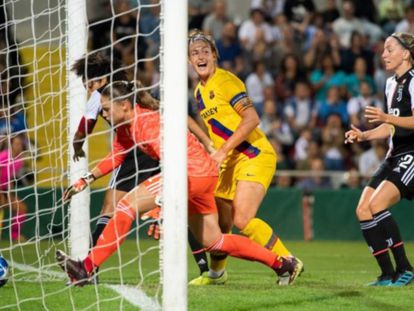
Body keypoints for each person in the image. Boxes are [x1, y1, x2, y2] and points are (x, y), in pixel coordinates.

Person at [55, 81, 301, 287]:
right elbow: (118, 155)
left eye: (107, 109)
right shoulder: (126, 127)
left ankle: (86, 268)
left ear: (124, 105)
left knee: (125, 206)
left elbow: (173, 164)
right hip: (202, 175)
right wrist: (87, 178)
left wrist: (163, 209)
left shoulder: (147, 124)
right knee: (215, 242)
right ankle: (282, 265)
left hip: (189, 173)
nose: (104, 114)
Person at [187, 30, 303, 285]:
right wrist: (209, 145)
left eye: (205, 51)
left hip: (254, 154)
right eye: (195, 53)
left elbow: (252, 119)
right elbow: (215, 128)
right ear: (189, 61)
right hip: (228, 161)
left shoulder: (227, 82)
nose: (201, 56)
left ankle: (288, 261)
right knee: (218, 220)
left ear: (215, 55)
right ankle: (216, 274)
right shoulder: (198, 92)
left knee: (242, 219)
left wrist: (222, 151)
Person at [70, 52, 160, 255]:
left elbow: (84, 128)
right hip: (155, 148)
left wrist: (77, 146)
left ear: (101, 79)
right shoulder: (128, 85)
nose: (88, 89)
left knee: (109, 209)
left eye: (89, 84)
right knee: (182, 206)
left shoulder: (101, 96)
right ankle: (205, 267)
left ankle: (88, 265)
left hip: (132, 151)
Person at [345, 32, 414, 286]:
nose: (383, 54)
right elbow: (391, 126)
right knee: (363, 209)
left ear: (405, 53)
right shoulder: (389, 83)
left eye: (389, 49)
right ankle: (387, 274)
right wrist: (363, 135)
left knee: (377, 205)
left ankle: (405, 268)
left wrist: (388, 118)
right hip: (394, 154)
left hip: (412, 154)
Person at [0, 134, 27, 241]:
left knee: (21, 207)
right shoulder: (3, 156)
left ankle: (15, 235)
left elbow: (10, 177)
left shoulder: (20, 161)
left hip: (5, 190)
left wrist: (9, 188)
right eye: (16, 144)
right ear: (11, 145)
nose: (18, 146)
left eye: (20, 144)